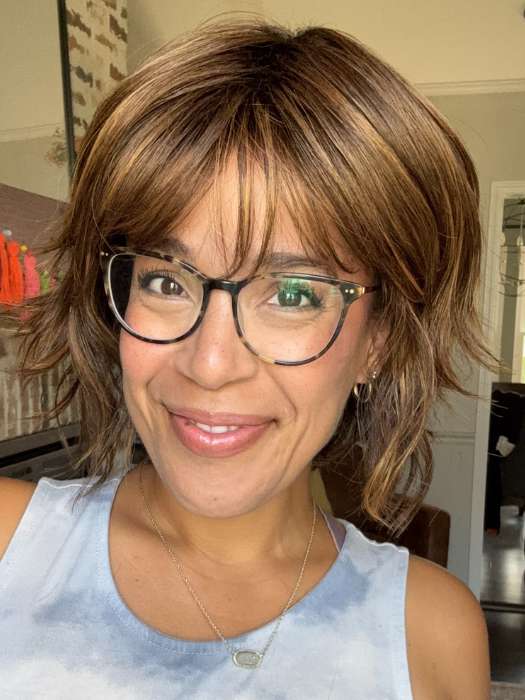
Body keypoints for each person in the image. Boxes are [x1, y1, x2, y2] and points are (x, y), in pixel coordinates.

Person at [0, 19, 491, 699]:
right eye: (166, 282)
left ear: (377, 341)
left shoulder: (431, 635)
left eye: (292, 294)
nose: (209, 364)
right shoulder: (10, 546)